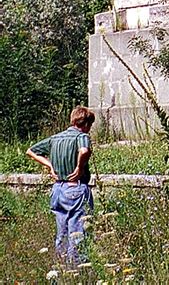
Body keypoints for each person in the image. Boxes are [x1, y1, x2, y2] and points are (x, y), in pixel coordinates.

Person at [26, 106, 95, 265]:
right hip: (75, 188)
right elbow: (84, 151)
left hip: (58, 190)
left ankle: (61, 273)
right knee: (78, 234)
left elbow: (31, 151)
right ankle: (78, 273)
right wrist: (79, 167)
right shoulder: (81, 136)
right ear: (85, 124)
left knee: (62, 235)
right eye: (89, 125)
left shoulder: (55, 138)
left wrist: (49, 166)